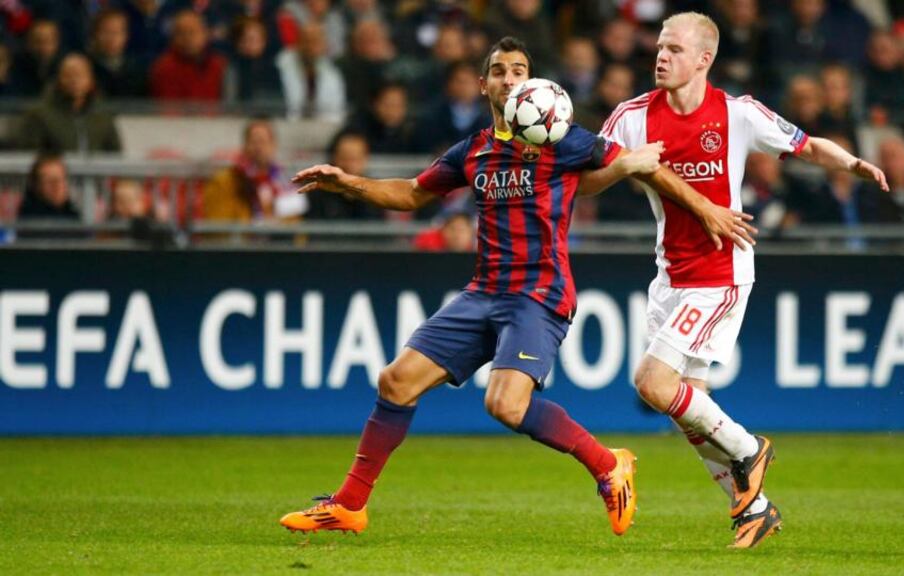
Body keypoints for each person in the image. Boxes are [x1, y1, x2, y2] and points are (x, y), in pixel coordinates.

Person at [279, 36, 755, 538]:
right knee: (395, 381)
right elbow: (413, 193)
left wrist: (703, 207)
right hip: (483, 292)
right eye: (499, 71)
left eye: (519, 70)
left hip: (539, 296)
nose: (509, 79)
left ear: (532, 82)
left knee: (505, 405)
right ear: (484, 85)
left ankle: (608, 464)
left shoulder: (562, 138)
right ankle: (349, 505)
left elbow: (644, 165)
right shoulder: (473, 150)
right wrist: (349, 183)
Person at [595, 12, 888, 548]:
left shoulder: (737, 113)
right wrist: (624, 166)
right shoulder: (631, 116)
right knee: (690, 407)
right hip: (669, 274)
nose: (661, 57)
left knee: (653, 384)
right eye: (659, 47)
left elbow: (806, 144)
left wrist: (853, 164)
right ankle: (754, 509)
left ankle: (750, 449)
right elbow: (588, 178)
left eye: (675, 49)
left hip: (721, 271)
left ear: (704, 59)